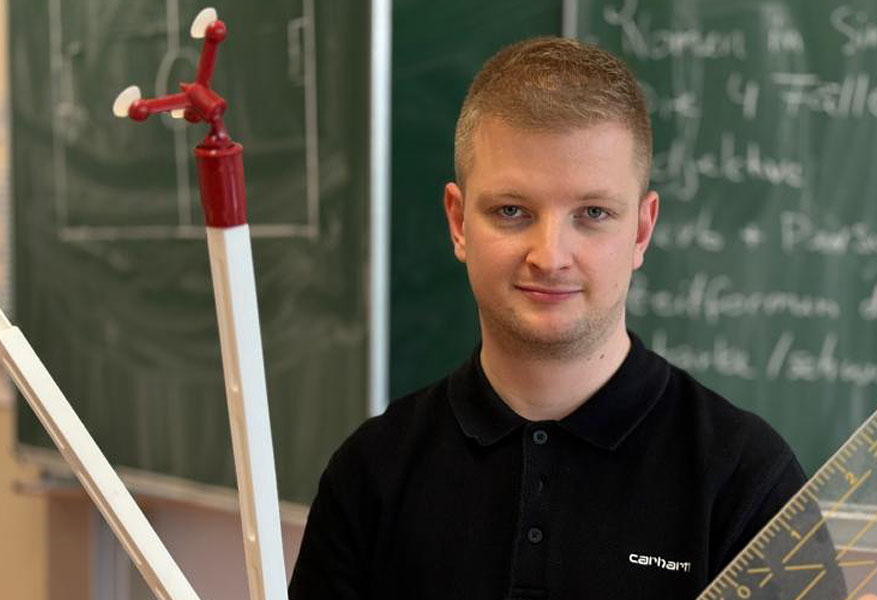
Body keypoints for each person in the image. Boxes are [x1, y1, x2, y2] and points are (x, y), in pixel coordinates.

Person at [288, 37, 823, 599]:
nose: (549, 255)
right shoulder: (371, 472)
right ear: (458, 222)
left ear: (641, 230)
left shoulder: (746, 479)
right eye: (511, 211)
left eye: (593, 213)